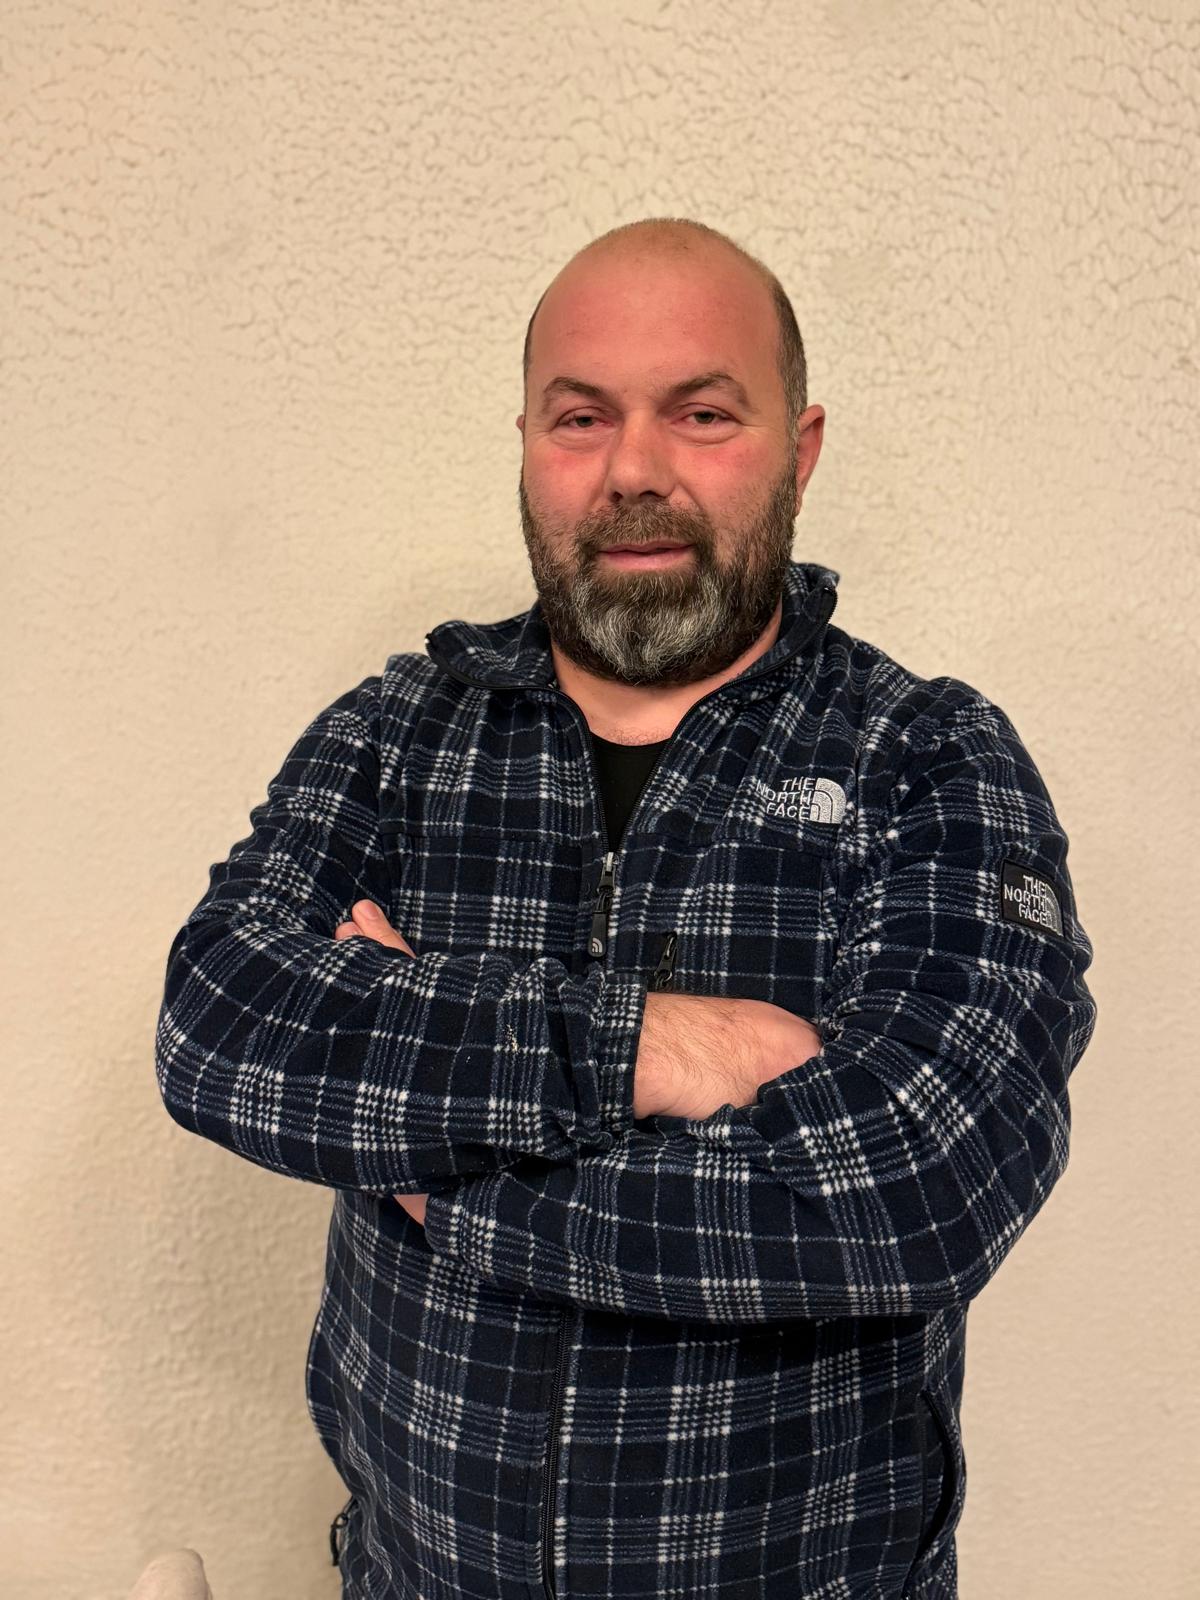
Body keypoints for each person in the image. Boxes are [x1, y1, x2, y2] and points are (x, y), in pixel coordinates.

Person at [155, 216, 1097, 1600]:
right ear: (528, 446)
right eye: (581, 417)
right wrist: (655, 1044)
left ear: (799, 449)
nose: (634, 469)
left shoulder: (927, 756)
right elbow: (219, 1022)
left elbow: (923, 1184)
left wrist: (436, 1186)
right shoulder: (398, 733)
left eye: (702, 414)